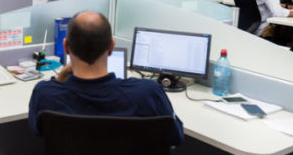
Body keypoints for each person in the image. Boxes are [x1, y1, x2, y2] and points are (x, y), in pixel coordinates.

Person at [28, 11, 184, 146]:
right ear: (111, 47)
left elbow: (37, 130)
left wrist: (60, 78)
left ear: (66, 47)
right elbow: (176, 137)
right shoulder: (147, 93)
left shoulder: (45, 93)